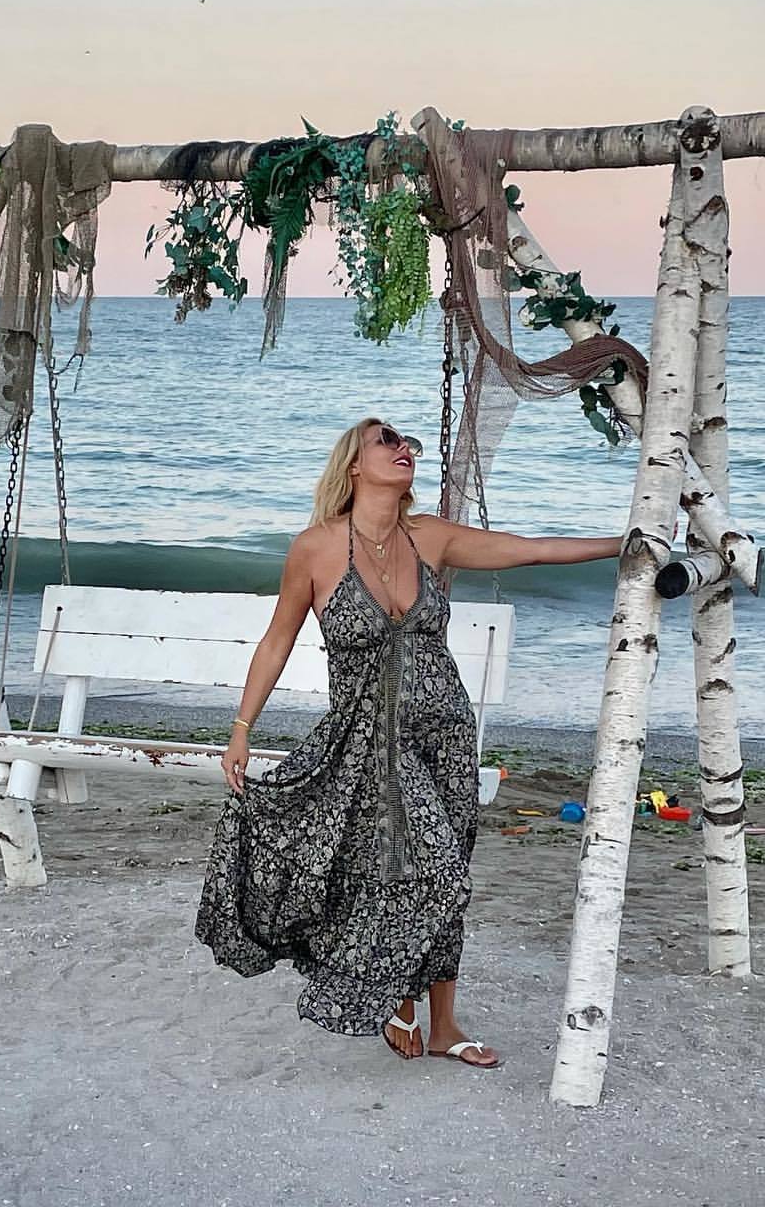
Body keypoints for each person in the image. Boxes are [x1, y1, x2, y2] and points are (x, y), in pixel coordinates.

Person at [194, 417, 622, 1067]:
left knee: (446, 872)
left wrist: (623, 543)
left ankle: (442, 1024)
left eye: (407, 445)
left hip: (445, 736)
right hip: (370, 745)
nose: (404, 450)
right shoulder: (316, 548)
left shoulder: (430, 537)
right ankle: (396, 998)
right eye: (387, 441)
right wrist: (241, 729)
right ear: (354, 464)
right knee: (428, 872)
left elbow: (530, 549)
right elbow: (278, 639)